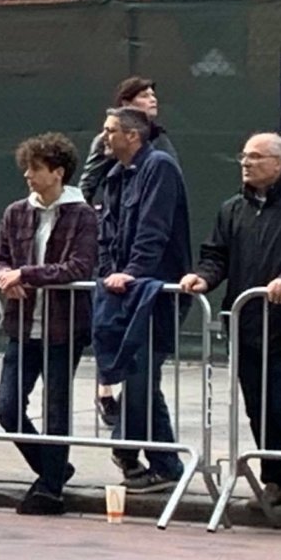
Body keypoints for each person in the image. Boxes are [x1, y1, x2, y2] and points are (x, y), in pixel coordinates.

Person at [180, 133, 281, 516]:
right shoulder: (232, 209)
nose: (246, 163)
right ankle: (275, 479)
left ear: (279, 164)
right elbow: (216, 254)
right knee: (257, 406)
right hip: (244, 323)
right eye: (243, 156)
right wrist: (203, 278)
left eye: (256, 157)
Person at [0, 133, 102, 516]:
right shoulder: (15, 211)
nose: (28, 175)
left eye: (36, 168)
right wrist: (6, 275)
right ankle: (53, 468)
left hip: (63, 326)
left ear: (58, 172)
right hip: (22, 325)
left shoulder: (82, 213)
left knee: (56, 408)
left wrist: (24, 274)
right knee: (7, 407)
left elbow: (78, 267)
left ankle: (50, 487)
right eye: (27, 167)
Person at [91, 104, 191, 496]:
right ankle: (165, 464)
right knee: (140, 377)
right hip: (121, 292)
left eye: (110, 129)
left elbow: (154, 228)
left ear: (132, 136)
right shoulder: (114, 176)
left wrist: (133, 273)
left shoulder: (159, 168)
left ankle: (126, 449)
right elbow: (106, 233)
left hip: (154, 293)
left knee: (140, 375)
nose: (103, 136)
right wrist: (107, 273)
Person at [79, 75, 160, 206]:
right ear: (126, 103)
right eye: (144, 96)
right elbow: (88, 184)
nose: (153, 100)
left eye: (153, 95)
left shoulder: (159, 137)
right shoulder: (106, 140)